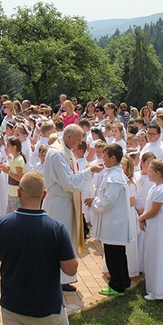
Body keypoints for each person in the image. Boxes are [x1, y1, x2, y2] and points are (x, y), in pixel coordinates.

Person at [0, 172, 77, 325]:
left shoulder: (2, 223)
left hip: (13, 304)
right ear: (44, 194)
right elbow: (70, 269)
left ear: (18, 192)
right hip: (47, 305)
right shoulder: (56, 228)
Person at [43, 124, 103, 292]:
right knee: (60, 241)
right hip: (59, 204)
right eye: (78, 139)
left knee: (66, 239)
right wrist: (90, 171)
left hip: (66, 201)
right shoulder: (57, 154)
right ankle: (57, 279)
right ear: (68, 137)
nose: (80, 143)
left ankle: (64, 278)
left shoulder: (66, 150)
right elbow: (69, 182)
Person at [84, 144, 134, 296]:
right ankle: (124, 281)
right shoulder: (114, 174)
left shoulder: (114, 178)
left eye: (105, 156)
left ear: (113, 158)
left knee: (113, 255)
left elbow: (108, 201)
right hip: (115, 221)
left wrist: (94, 203)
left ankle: (117, 285)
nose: (103, 159)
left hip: (114, 222)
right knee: (119, 254)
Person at [139, 159, 163, 300]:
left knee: (158, 254)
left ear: (157, 173)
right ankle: (158, 287)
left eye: (150, 171)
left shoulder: (161, 189)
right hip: (156, 223)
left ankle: (159, 290)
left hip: (160, 224)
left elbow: (154, 210)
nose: (147, 173)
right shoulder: (156, 187)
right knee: (155, 253)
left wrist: (141, 218)